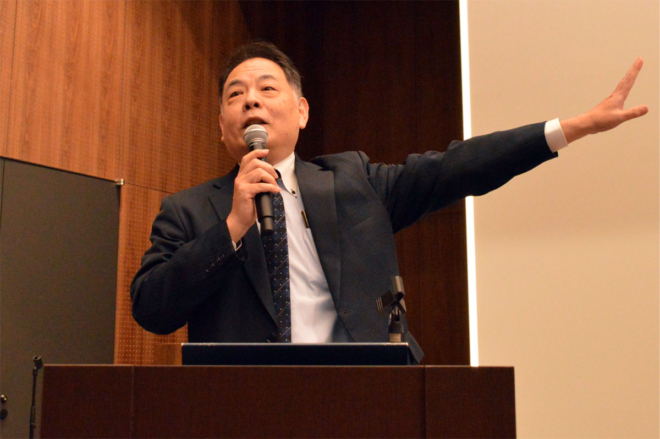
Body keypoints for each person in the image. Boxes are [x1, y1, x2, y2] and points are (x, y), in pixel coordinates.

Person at [130, 42, 647, 364]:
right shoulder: (188, 210)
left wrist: (567, 129)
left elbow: (456, 167)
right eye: (235, 94)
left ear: (302, 111)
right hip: (244, 406)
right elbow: (151, 308)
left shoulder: (353, 182)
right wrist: (231, 229)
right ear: (222, 125)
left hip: (366, 395)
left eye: (267, 88)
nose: (251, 100)